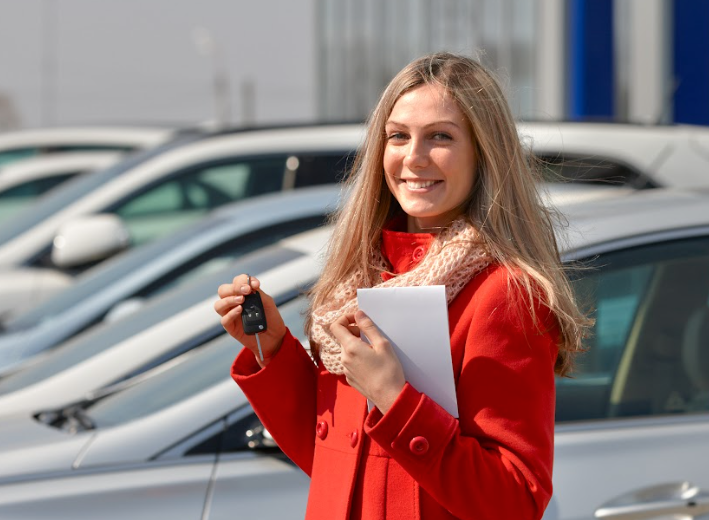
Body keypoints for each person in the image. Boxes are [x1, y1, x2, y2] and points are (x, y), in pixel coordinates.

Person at [213, 52, 590, 520]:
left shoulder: (504, 293)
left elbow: (515, 501)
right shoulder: (358, 276)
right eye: (398, 136)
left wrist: (395, 399)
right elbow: (336, 464)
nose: (413, 157)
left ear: (483, 152)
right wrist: (271, 349)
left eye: (440, 136)